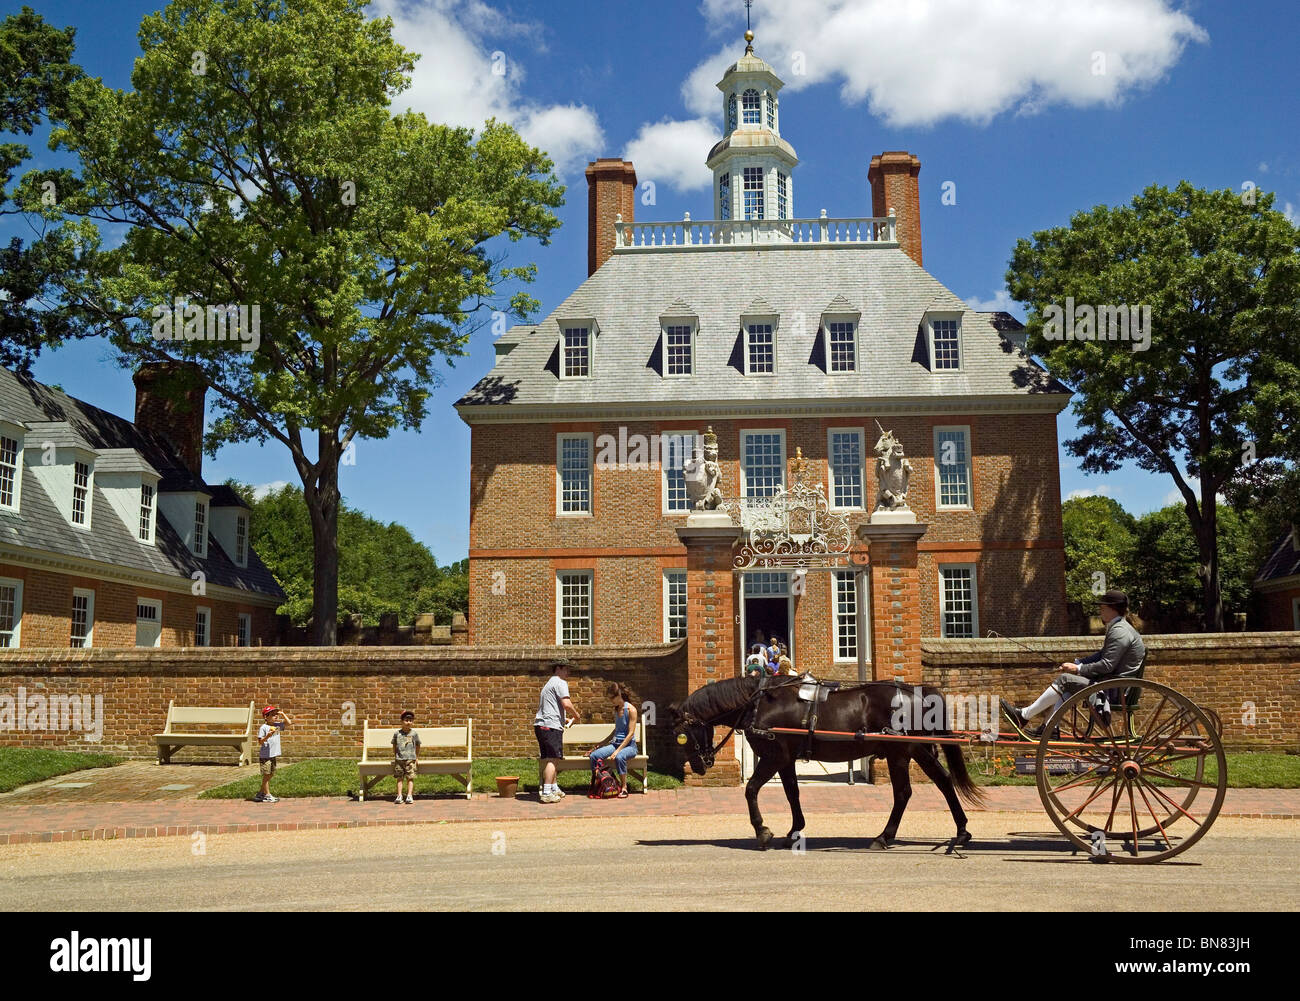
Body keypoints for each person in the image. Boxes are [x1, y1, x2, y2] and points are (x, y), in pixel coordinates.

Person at [1003, 590, 1146, 737]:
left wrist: (1078, 669)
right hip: (1115, 685)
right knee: (1068, 684)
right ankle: (1051, 727)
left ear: (1113, 609)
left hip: (1114, 689)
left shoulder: (1120, 631)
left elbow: (1107, 665)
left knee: (1065, 679)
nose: (1100, 611)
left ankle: (1024, 715)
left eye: (1102, 608)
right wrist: (1077, 663)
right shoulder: (1120, 628)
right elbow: (1101, 655)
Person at [535, 658, 581, 804]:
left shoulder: (549, 683)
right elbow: (566, 703)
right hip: (551, 726)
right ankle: (547, 792)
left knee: (551, 758)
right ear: (558, 668)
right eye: (566, 669)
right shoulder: (560, 682)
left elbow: (551, 707)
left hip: (542, 725)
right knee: (553, 760)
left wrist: (564, 719)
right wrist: (576, 715)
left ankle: (554, 788)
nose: (568, 672)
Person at [589, 683, 639, 797]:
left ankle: (624, 787)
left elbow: (631, 733)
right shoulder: (617, 709)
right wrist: (601, 744)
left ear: (619, 695)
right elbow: (616, 730)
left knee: (620, 757)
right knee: (594, 756)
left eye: (612, 698)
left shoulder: (631, 710)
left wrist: (617, 751)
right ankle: (599, 783)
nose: (611, 701)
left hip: (629, 747)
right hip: (615, 744)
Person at [255, 705, 291, 803]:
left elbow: (288, 723)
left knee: (270, 774)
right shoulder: (263, 727)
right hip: (265, 756)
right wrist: (267, 736)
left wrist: (283, 714)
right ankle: (267, 795)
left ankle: (260, 794)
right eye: (272, 715)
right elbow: (260, 742)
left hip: (273, 755)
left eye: (276, 714)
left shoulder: (277, 725)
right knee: (267, 775)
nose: (275, 716)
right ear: (266, 717)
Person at [392, 710, 420, 805]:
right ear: (401, 721)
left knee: (410, 777)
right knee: (399, 778)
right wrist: (395, 755)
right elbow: (394, 745)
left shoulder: (414, 734)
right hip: (399, 759)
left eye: (411, 720)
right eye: (406, 720)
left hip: (410, 759)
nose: (408, 722)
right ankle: (399, 795)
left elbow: (418, 745)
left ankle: (409, 795)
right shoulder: (397, 734)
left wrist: (416, 757)